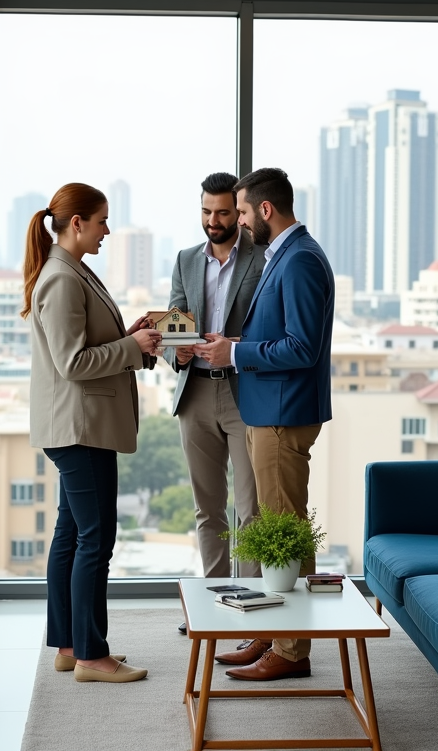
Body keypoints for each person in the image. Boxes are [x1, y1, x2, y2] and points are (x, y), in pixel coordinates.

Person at [194, 167, 335, 681]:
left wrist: (235, 352)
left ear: (265, 210)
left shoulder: (298, 260)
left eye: (245, 210)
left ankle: (292, 651)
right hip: (268, 411)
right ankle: (274, 632)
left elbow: (302, 346)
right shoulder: (287, 255)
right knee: (278, 528)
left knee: (284, 532)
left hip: (282, 413)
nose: (242, 220)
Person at [24, 182, 161, 684]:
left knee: (71, 533)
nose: (108, 230)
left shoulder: (73, 270)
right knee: (95, 538)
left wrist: (133, 340)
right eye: (102, 221)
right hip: (80, 429)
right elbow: (73, 362)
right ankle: (91, 656)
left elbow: (92, 347)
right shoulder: (61, 279)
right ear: (76, 222)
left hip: (80, 425)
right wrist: (131, 347)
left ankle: (68, 646)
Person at [166, 172, 267, 634]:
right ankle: (211, 605)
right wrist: (176, 349)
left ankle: (248, 610)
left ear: (238, 212)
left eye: (224, 212)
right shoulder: (186, 260)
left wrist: (235, 344)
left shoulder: (262, 259)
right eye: (206, 212)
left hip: (245, 391)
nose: (214, 220)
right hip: (196, 392)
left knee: (251, 508)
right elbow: (174, 323)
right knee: (208, 508)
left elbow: (270, 327)